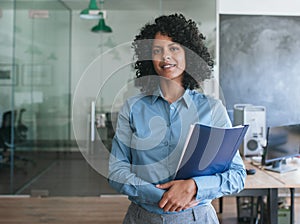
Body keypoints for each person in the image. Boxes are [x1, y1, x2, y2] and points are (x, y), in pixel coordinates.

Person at [108, 13, 246, 224]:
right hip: (143, 218)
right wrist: (163, 197)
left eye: (174, 48)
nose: (165, 57)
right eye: (157, 50)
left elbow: (237, 176)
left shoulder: (213, 109)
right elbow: (117, 171)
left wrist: (194, 187)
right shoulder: (133, 108)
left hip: (196, 217)